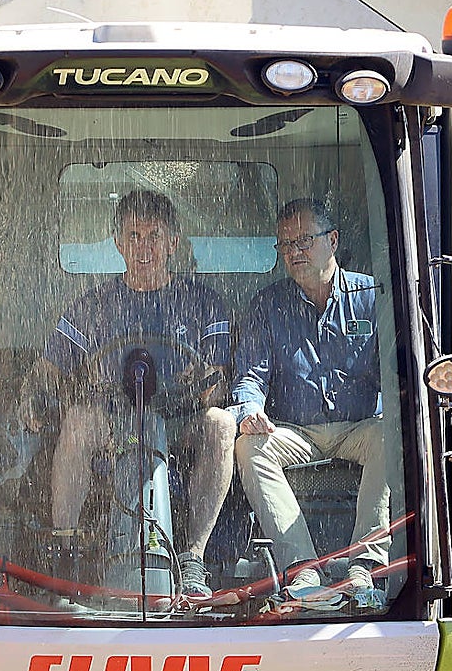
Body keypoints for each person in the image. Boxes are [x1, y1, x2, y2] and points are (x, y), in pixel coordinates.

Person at [23, 189, 235, 599]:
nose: (144, 246)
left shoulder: (204, 302)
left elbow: (220, 379)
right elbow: (47, 370)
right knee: (78, 420)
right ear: (118, 244)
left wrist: (209, 383)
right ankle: (64, 553)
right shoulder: (93, 305)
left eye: (154, 235)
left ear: (173, 242)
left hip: (180, 424)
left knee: (222, 424)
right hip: (112, 425)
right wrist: (32, 395)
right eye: (133, 236)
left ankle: (193, 559)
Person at [231, 198, 390, 608]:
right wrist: (250, 410)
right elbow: (251, 375)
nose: (295, 252)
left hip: (359, 427)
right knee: (249, 446)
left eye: (304, 240)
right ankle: (303, 569)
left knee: (392, 434)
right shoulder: (267, 304)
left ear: (332, 240)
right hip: (294, 430)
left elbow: (395, 373)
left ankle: (366, 567)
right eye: (285, 245)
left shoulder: (371, 296)